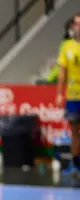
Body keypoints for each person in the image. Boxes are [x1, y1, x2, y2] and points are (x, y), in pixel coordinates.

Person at [56, 13, 80, 176]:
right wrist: (59, 93)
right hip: (73, 96)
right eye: (77, 24)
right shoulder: (66, 46)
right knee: (74, 131)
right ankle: (76, 164)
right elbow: (62, 72)